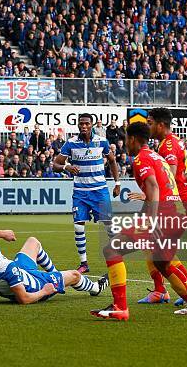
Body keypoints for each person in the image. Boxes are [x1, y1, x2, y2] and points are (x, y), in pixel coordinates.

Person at [90, 122, 187, 320]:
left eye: (126, 139)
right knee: (162, 263)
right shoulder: (157, 157)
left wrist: (151, 222)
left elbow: (153, 187)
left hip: (163, 217)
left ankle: (120, 306)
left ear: (133, 139)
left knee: (111, 249)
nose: (125, 143)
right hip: (177, 216)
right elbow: (161, 189)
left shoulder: (141, 159)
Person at [134, 108, 187, 305]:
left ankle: (176, 287)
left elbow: (169, 175)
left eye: (150, 122)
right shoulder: (170, 142)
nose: (148, 126)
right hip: (175, 198)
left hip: (174, 201)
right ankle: (163, 289)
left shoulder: (168, 146)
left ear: (160, 125)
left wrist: (149, 195)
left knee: (156, 245)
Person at [53, 114, 120, 273]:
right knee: (78, 227)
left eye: (86, 124)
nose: (83, 127)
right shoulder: (71, 143)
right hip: (80, 193)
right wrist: (66, 167)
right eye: (81, 124)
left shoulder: (102, 141)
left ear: (92, 125)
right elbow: (55, 164)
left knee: (109, 225)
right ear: (78, 125)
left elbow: (112, 161)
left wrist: (117, 183)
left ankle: (115, 258)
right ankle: (84, 263)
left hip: (99, 190)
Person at [0, 230, 108, 304]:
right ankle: (95, 288)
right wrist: (44, 292)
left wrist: (2, 233)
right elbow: (24, 299)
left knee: (33, 242)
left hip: (21, 272)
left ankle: (54, 274)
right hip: (35, 286)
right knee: (75, 275)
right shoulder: (7, 268)